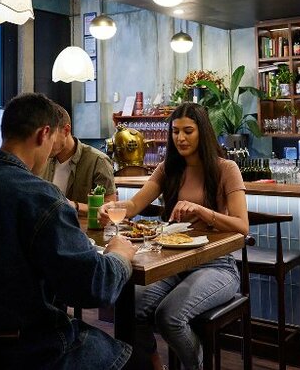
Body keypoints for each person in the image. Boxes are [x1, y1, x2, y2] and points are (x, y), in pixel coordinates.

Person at [0, 93, 138, 370]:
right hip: (18, 354)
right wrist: (119, 255)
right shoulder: (40, 198)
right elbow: (93, 288)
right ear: (44, 134)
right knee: (128, 357)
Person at [99, 102, 249, 370]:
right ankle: (157, 365)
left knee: (169, 315)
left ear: (202, 132)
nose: (180, 138)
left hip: (217, 265)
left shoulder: (226, 168)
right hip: (173, 263)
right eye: (176, 131)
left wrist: (203, 211)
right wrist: (112, 208)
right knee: (131, 308)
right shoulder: (168, 168)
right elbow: (133, 206)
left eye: (188, 131)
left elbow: (242, 226)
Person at [41, 104, 118, 215]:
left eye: (50, 136)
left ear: (66, 130)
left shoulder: (97, 161)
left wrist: (74, 206)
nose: (45, 141)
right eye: (43, 135)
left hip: (84, 230)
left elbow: (110, 208)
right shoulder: (43, 159)